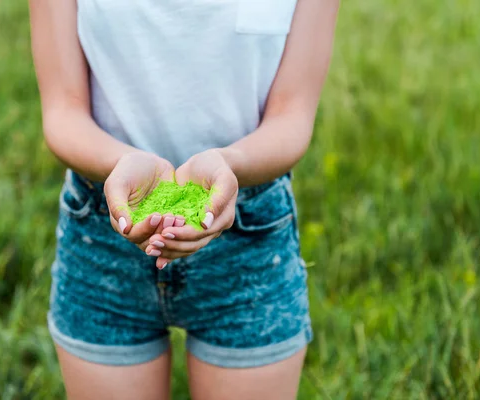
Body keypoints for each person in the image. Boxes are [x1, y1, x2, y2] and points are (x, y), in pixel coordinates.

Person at [28, 0, 338, 398]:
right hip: (106, 233)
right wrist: (121, 162)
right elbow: (62, 110)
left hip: (249, 241)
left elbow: (292, 115)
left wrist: (230, 164)